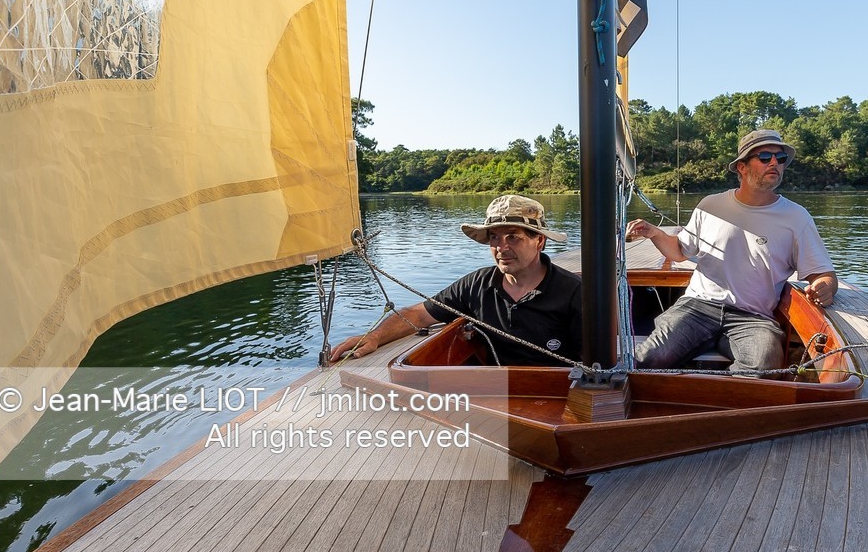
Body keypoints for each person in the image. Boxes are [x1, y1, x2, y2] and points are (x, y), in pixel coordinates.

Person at [626, 129, 838, 373]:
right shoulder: (711, 206)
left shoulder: (796, 218)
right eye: (765, 156)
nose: (774, 163)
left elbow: (824, 275)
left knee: (763, 366)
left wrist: (824, 287)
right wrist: (654, 233)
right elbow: (679, 252)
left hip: (753, 318)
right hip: (697, 306)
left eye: (780, 159)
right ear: (742, 167)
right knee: (647, 359)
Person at [327, 195, 582, 366]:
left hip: (552, 397)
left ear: (540, 241)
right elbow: (418, 315)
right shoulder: (475, 285)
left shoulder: (574, 292)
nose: (501, 247)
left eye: (513, 237)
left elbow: (594, 363)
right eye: (494, 237)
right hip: (490, 395)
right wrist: (375, 336)